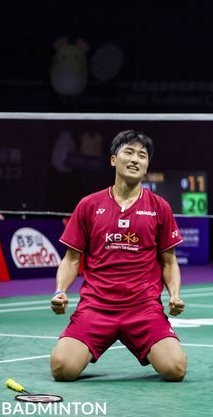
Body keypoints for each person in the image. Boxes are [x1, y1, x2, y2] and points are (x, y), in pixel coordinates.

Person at [50, 130, 187, 382]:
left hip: (143, 308)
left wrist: (175, 296)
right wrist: (60, 291)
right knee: (61, 368)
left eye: (142, 156)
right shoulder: (89, 205)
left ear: (146, 166)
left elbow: (169, 262)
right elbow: (71, 259)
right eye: (129, 152)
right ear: (114, 160)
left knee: (175, 369)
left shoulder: (160, 207)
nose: (136, 159)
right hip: (97, 306)